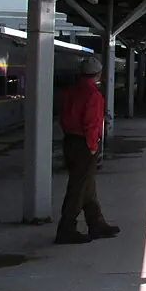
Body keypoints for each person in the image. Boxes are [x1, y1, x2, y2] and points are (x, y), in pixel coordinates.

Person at [55, 55, 120, 244]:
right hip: (84, 145)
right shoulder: (93, 95)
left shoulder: (70, 91)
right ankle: (66, 228)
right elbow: (92, 124)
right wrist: (93, 148)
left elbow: (62, 117)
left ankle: (96, 223)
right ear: (98, 74)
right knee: (78, 189)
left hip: (70, 141)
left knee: (87, 186)